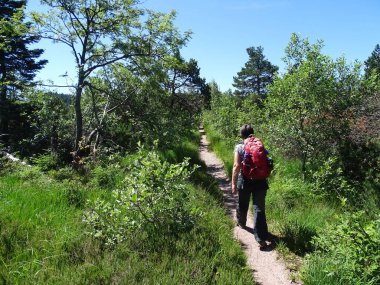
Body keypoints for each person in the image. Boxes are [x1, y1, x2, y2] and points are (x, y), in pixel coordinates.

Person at [231, 124, 269, 249]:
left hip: (245, 180)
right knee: (259, 208)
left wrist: (233, 183)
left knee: (243, 203)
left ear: (241, 135)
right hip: (261, 181)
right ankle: (261, 239)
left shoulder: (239, 147)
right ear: (253, 133)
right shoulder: (259, 145)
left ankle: (241, 223)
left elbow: (236, 166)